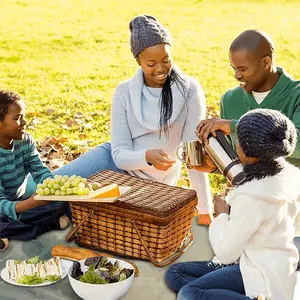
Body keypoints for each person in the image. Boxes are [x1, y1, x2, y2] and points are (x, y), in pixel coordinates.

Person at [52, 15, 213, 225]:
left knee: (83, 210)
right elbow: (119, 155)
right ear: (138, 60)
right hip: (113, 163)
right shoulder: (124, 92)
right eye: (151, 63)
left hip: (148, 184)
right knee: (50, 188)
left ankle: (60, 218)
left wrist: (205, 211)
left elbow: (193, 157)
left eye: (166, 60)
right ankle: (13, 215)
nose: (161, 68)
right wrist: (146, 156)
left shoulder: (190, 91)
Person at [165, 109, 300, 300]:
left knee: (189, 293)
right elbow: (258, 186)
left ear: (245, 151)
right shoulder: (289, 177)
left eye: (238, 141)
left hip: (259, 273)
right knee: (175, 273)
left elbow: (226, 253)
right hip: (272, 264)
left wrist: (221, 216)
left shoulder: (251, 198)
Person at [195, 29, 300, 260]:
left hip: (289, 209)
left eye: (242, 69)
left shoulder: (296, 95)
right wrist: (215, 165)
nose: (236, 76)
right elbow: (242, 160)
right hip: (249, 207)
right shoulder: (230, 99)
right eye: (233, 68)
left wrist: (235, 126)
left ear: (266, 62)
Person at [0, 90, 70, 251]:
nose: (24, 122)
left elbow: (39, 171)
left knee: (64, 203)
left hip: (21, 201)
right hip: (5, 207)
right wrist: (29, 204)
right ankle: (45, 226)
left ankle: (11, 232)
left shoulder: (25, 141)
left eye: (23, 116)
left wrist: (54, 189)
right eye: (17, 118)